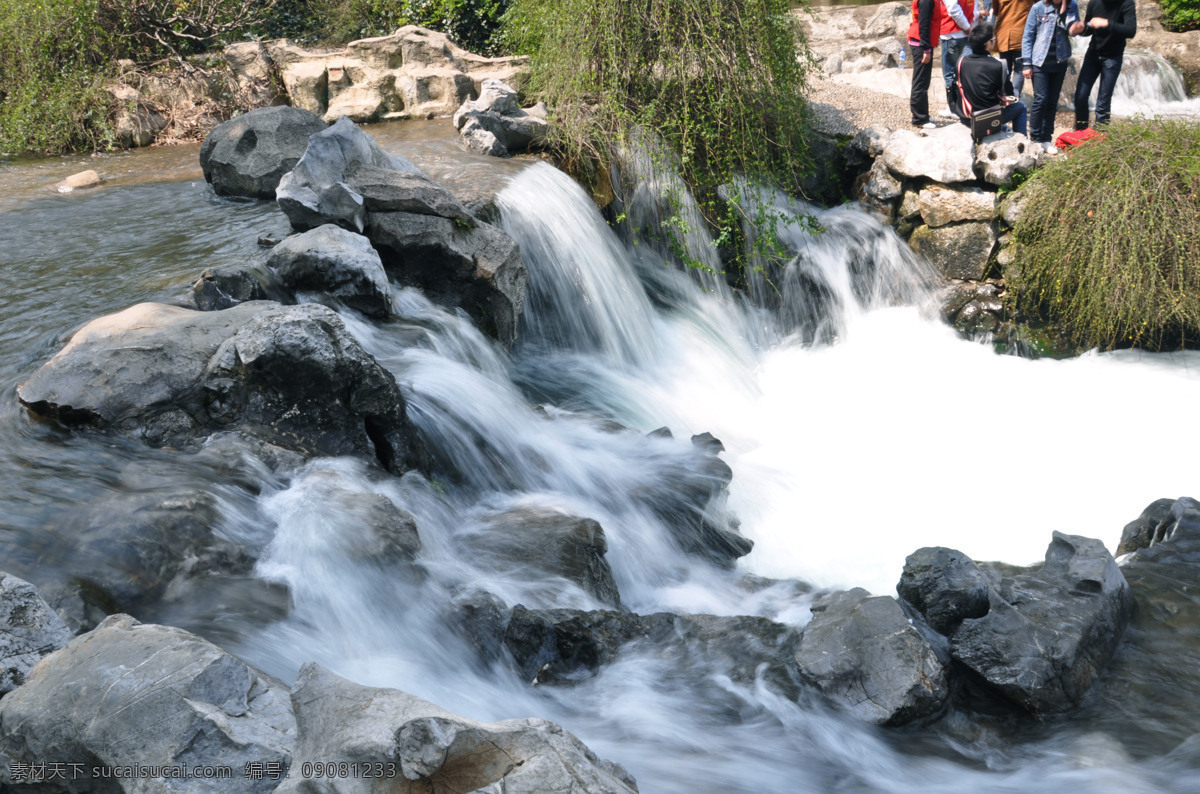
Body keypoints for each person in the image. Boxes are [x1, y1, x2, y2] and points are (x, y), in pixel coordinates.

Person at [1021, 0, 1084, 153]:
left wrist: (1065, 13)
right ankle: (1035, 139)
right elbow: (1028, 36)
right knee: (1041, 100)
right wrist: (1026, 63)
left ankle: (1046, 138)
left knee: (1052, 102)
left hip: (1059, 61)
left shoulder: (1072, 6)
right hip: (1039, 62)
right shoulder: (1038, 7)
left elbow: (1071, 31)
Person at [1073, 0, 1137, 129]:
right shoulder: (1094, 3)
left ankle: (1100, 135)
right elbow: (1089, 29)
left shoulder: (1126, 3)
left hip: (1112, 57)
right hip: (1093, 55)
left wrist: (1107, 23)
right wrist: (1080, 29)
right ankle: (1080, 132)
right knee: (1080, 96)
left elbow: (1131, 31)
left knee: (1103, 102)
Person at [958, 20, 1029, 135]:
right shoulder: (999, 64)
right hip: (988, 117)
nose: (995, 40)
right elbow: (1009, 92)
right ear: (987, 44)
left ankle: (1002, 128)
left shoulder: (961, 62)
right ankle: (1020, 142)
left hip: (966, 116)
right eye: (993, 38)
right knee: (1021, 107)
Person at [937, 0, 975, 117]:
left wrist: (966, 27)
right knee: (964, 72)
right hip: (966, 33)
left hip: (952, 33)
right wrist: (970, 27)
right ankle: (966, 105)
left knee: (950, 74)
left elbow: (953, 8)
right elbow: (974, 7)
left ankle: (953, 108)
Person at [909, 0, 943, 127]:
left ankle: (923, 114)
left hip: (923, 42)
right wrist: (926, 49)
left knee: (924, 80)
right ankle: (919, 118)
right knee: (920, 81)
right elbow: (924, 24)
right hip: (920, 44)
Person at [994, 0, 1037, 97]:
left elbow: (996, 11)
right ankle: (1014, 97)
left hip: (1003, 35)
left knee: (1004, 69)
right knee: (1019, 69)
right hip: (1021, 34)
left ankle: (1003, 97)